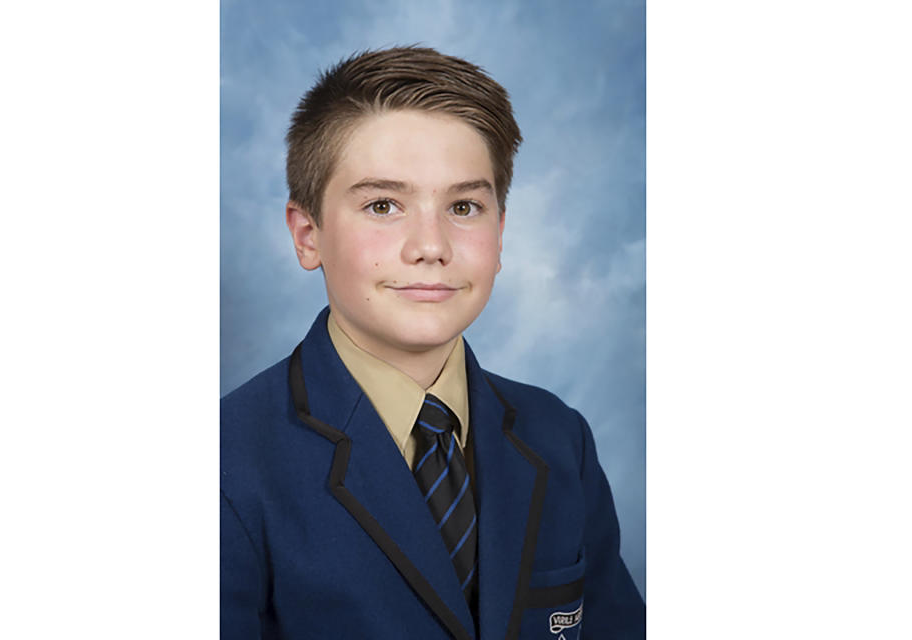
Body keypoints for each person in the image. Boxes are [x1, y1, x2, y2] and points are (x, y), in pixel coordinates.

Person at [221, 46, 645, 640]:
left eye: (464, 206)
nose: (431, 246)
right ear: (308, 234)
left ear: (500, 233)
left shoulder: (557, 436)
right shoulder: (227, 464)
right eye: (383, 205)